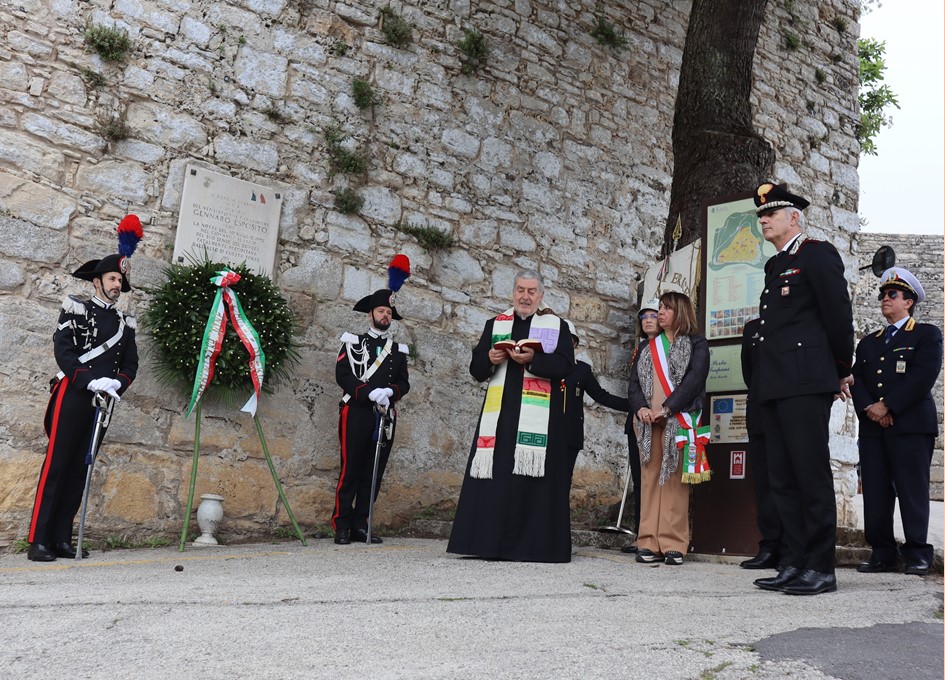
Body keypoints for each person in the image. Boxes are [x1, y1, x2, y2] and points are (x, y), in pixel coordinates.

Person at [750, 182, 854, 596]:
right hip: (775, 383)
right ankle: (793, 561)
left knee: (809, 473)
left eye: (770, 213)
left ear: (794, 217)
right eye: (761, 215)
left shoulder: (816, 254)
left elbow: (837, 313)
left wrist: (841, 368)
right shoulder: (775, 266)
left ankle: (821, 567)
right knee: (783, 477)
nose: (763, 220)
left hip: (806, 381)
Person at [27, 216, 142, 562]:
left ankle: (62, 537)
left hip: (103, 401)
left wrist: (115, 385)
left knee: (81, 468)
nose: (116, 285)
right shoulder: (76, 307)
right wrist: (88, 379)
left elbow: (131, 365)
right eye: (111, 279)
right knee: (58, 464)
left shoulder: (126, 323)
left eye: (120, 280)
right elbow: (63, 350)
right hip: (74, 394)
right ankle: (39, 540)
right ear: (97, 282)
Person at [447, 270, 574, 562]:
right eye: (520, 290)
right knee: (497, 478)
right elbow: (476, 369)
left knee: (533, 482)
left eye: (531, 291)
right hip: (501, 417)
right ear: (512, 292)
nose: (525, 296)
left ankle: (533, 547)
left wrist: (535, 360)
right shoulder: (496, 324)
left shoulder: (557, 326)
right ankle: (488, 545)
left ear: (541, 296)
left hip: (540, 418)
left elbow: (566, 366)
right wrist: (488, 359)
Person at [851, 267, 942, 576]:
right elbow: (857, 380)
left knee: (912, 488)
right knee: (875, 490)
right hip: (874, 428)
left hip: (911, 426)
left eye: (892, 294)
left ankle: (917, 552)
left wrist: (887, 405)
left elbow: (921, 378)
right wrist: (871, 408)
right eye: (882, 295)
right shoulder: (869, 342)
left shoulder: (926, 334)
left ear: (909, 301)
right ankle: (882, 551)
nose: (885, 299)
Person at [628, 291, 709, 566]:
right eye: (659, 308)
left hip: (678, 418)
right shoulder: (646, 346)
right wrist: (641, 408)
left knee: (674, 480)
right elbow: (634, 384)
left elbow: (694, 380)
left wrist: (667, 408)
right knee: (649, 478)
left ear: (681, 312)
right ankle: (648, 541)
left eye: (666, 308)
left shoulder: (697, 343)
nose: (660, 313)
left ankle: (673, 543)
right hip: (648, 422)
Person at [333, 277, 410, 545]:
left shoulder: (399, 351)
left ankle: (361, 524)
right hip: (356, 411)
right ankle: (341, 525)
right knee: (350, 469)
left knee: (373, 471)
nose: (385, 316)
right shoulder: (353, 341)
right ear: (371, 314)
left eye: (389, 313)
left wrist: (391, 392)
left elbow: (404, 382)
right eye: (381, 311)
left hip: (384, 415)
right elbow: (342, 374)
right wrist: (368, 392)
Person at [561, 319, 630, 493]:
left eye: (569, 339)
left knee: (562, 481)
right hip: (546, 432)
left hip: (570, 433)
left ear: (575, 343)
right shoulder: (542, 367)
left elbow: (601, 395)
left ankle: (560, 519)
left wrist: (632, 405)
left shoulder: (581, 370)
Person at [738, 317, 783, 569]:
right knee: (764, 482)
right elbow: (749, 371)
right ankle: (770, 545)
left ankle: (790, 546)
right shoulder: (752, 329)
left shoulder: (795, 321)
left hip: (787, 412)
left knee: (787, 481)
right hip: (759, 410)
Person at [619, 298, 661, 553]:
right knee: (639, 478)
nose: (647, 320)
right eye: (643, 316)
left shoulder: (668, 347)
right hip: (637, 420)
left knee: (657, 478)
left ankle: (656, 533)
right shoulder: (641, 347)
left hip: (659, 418)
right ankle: (641, 533)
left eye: (653, 315)